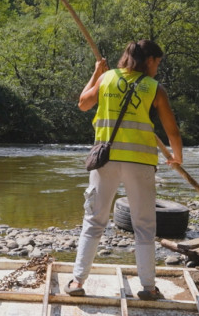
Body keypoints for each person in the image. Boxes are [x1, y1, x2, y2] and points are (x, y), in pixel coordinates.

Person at [67, 40, 183, 300]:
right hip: (140, 163)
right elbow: (172, 130)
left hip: (104, 160)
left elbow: (83, 104)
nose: (157, 68)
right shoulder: (154, 88)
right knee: (144, 226)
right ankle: (149, 287)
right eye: (157, 62)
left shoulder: (107, 78)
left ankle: (77, 281)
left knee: (94, 221)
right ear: (149, 60)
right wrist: (177, 157)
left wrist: (97, 73)